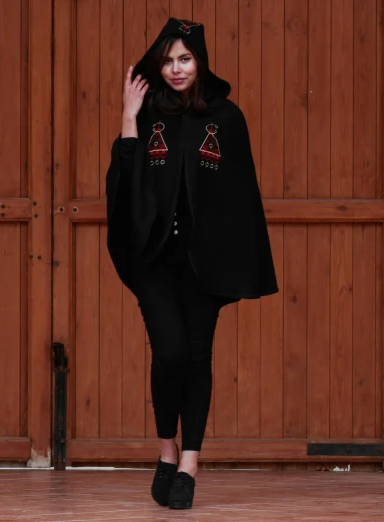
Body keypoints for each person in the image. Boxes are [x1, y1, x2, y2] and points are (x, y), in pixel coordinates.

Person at [105, 18, 279, 510]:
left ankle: (189, 466)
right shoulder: (150, 115)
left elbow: (240, 196)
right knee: (170, 354)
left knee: (198, 357)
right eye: (167, 60)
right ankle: (165, 452)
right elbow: (123, 185)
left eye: (185, 58)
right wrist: (130, 116)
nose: (176, 69)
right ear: (157, 66)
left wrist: (238, 260)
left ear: (199, 61)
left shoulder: (226, 118)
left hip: (206, 262)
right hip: (157, 260)